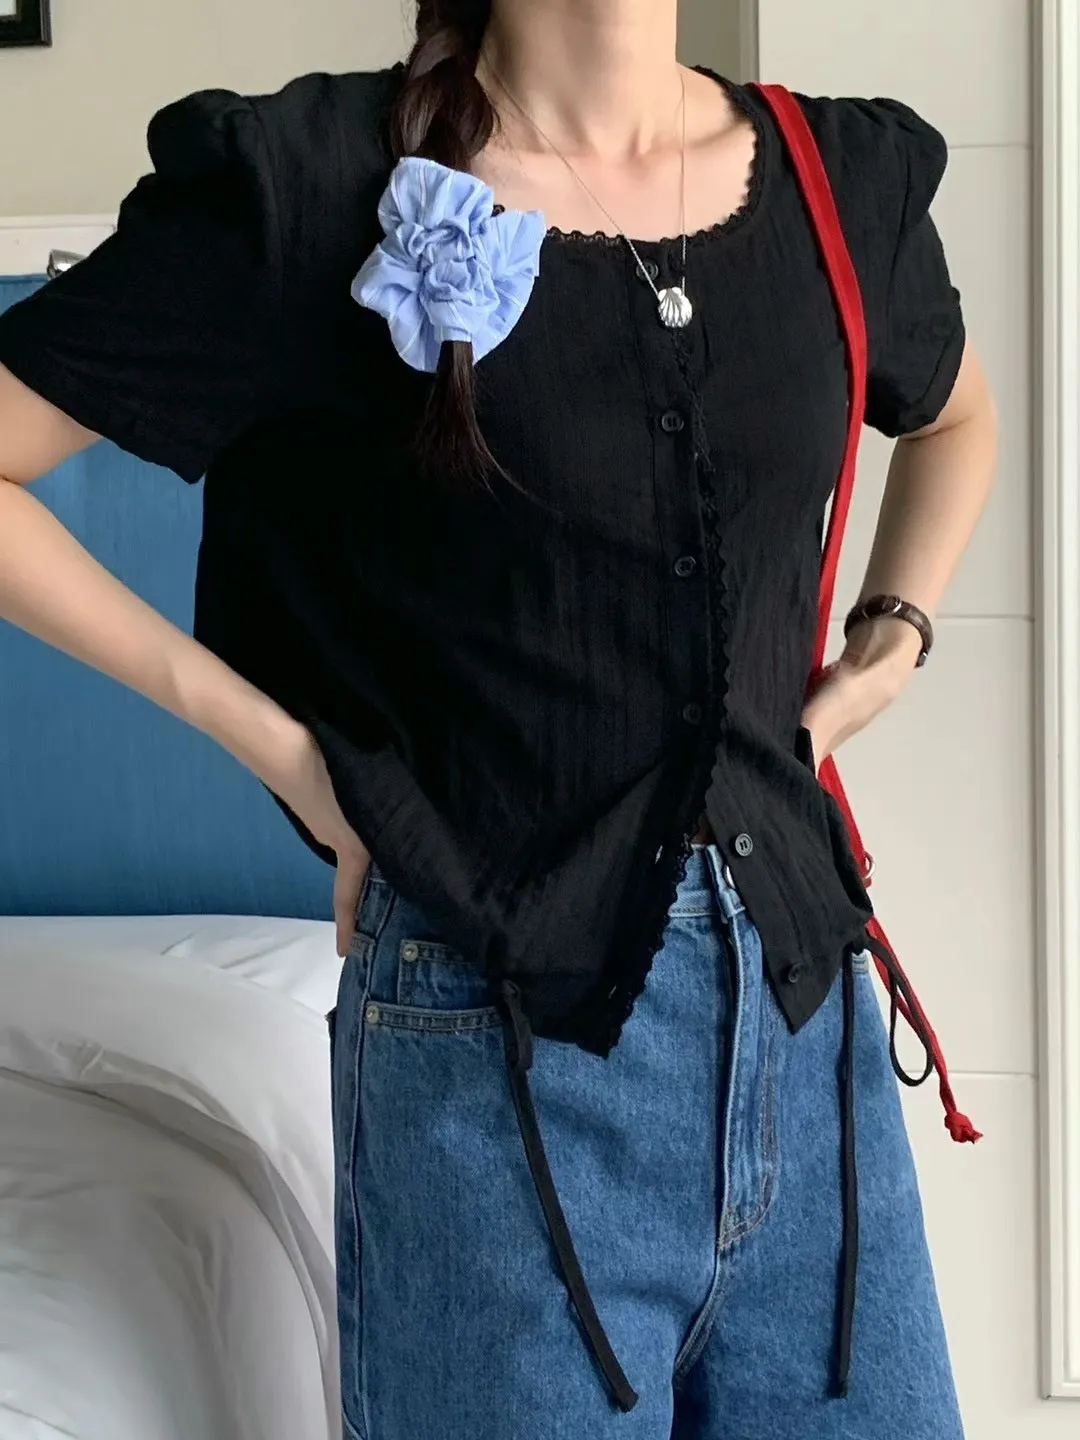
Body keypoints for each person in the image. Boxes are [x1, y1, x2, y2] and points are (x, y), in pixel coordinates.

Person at [0, 1, 997, 1436]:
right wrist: (284, 751)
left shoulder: (838, 181)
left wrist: (893, 635)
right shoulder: (312, 185)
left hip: (810, 1038)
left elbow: (956, 416)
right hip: (490, 1059)